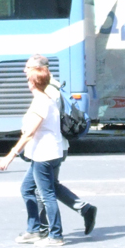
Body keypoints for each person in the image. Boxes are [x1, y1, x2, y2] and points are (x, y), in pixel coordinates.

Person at [0, 63, 66, 246]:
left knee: (47, 194)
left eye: (28, 79)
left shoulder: (41, 101)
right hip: (45, 153)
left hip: (45, 155)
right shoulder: (45, 98)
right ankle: (34, 230)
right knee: (27, 189)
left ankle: (56, 235)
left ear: (32, 83)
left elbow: (30, 133)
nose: (27, 82)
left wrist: (10, 156)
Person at [24, 54, 97, 236]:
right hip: (55, 147)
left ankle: (44, 230)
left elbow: (45, 123)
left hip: (48, 149)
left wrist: (20, 147)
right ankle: (83, 209)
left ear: (40, 69)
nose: (25, 71)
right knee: (49, 186)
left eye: (28, 67)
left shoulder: (48, 90)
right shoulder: (53, 86)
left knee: (41, 190)